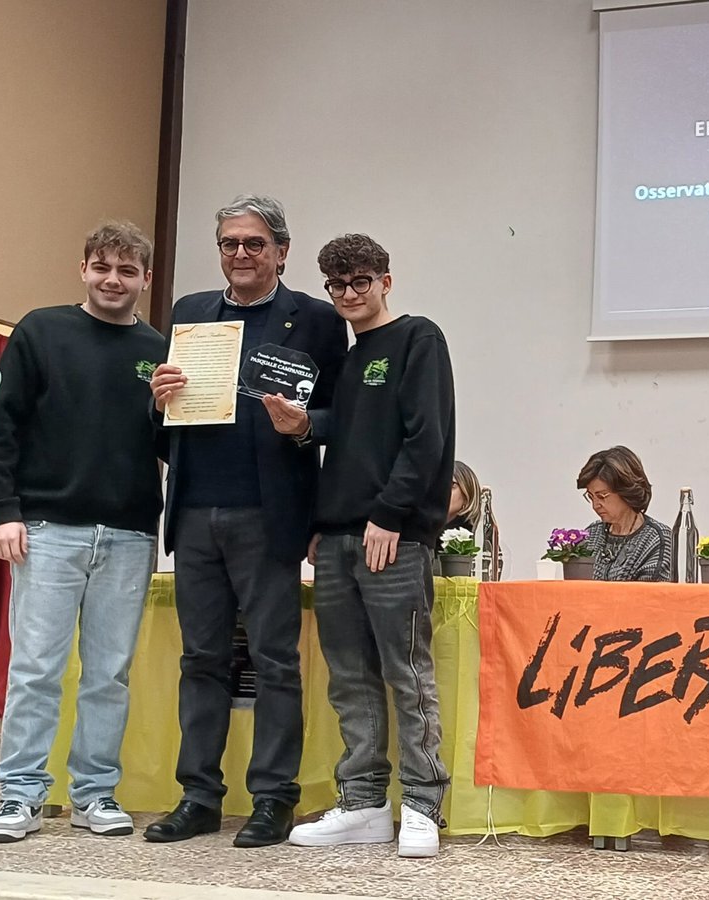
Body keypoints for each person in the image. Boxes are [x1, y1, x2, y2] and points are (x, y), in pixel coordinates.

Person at [145, 195, 348, 848]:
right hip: (195, 510)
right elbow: (164, 425)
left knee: (274, 661)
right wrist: (158, 401)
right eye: (229, 243)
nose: (240, 254)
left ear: (281, 252)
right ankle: (199, 796)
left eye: (254, 243)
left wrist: (305, 425)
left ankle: (273, 798)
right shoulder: (190, 312)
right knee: (201, 659)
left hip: (270, 515)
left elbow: (343, 416)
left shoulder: (316, 320)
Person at [261, 233, 455, 858]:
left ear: (385, 282)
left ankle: (422, 804)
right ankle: (366, 803)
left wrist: (390, 515)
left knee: (407, 673)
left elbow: (426, 439)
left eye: (361, 282)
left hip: (393, 538)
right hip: (339, 538)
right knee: (349, 677)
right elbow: (347, 438)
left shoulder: (419, 338)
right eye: (337, 285)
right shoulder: (346, 360)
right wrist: (304, 432)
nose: (348, 294)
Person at [0, 223, 167, 843]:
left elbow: (170, 445)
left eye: (127, 271)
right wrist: (2, 511)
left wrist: (169, 410)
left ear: (145, 279)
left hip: (130, 534)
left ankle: (94, 793)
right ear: (83, 269)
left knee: (108, 675)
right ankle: (19, 795)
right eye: (102, 267)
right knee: (36, 669)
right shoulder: (40, 330)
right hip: (47, 529)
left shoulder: (160, 349)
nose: (113, 280)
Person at [576, 446, 671, 583]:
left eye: (602, 496)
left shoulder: (656, 538)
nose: (595, 505)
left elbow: (650, 594)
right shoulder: (592, 534)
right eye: (591, 497)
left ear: (626, 491)